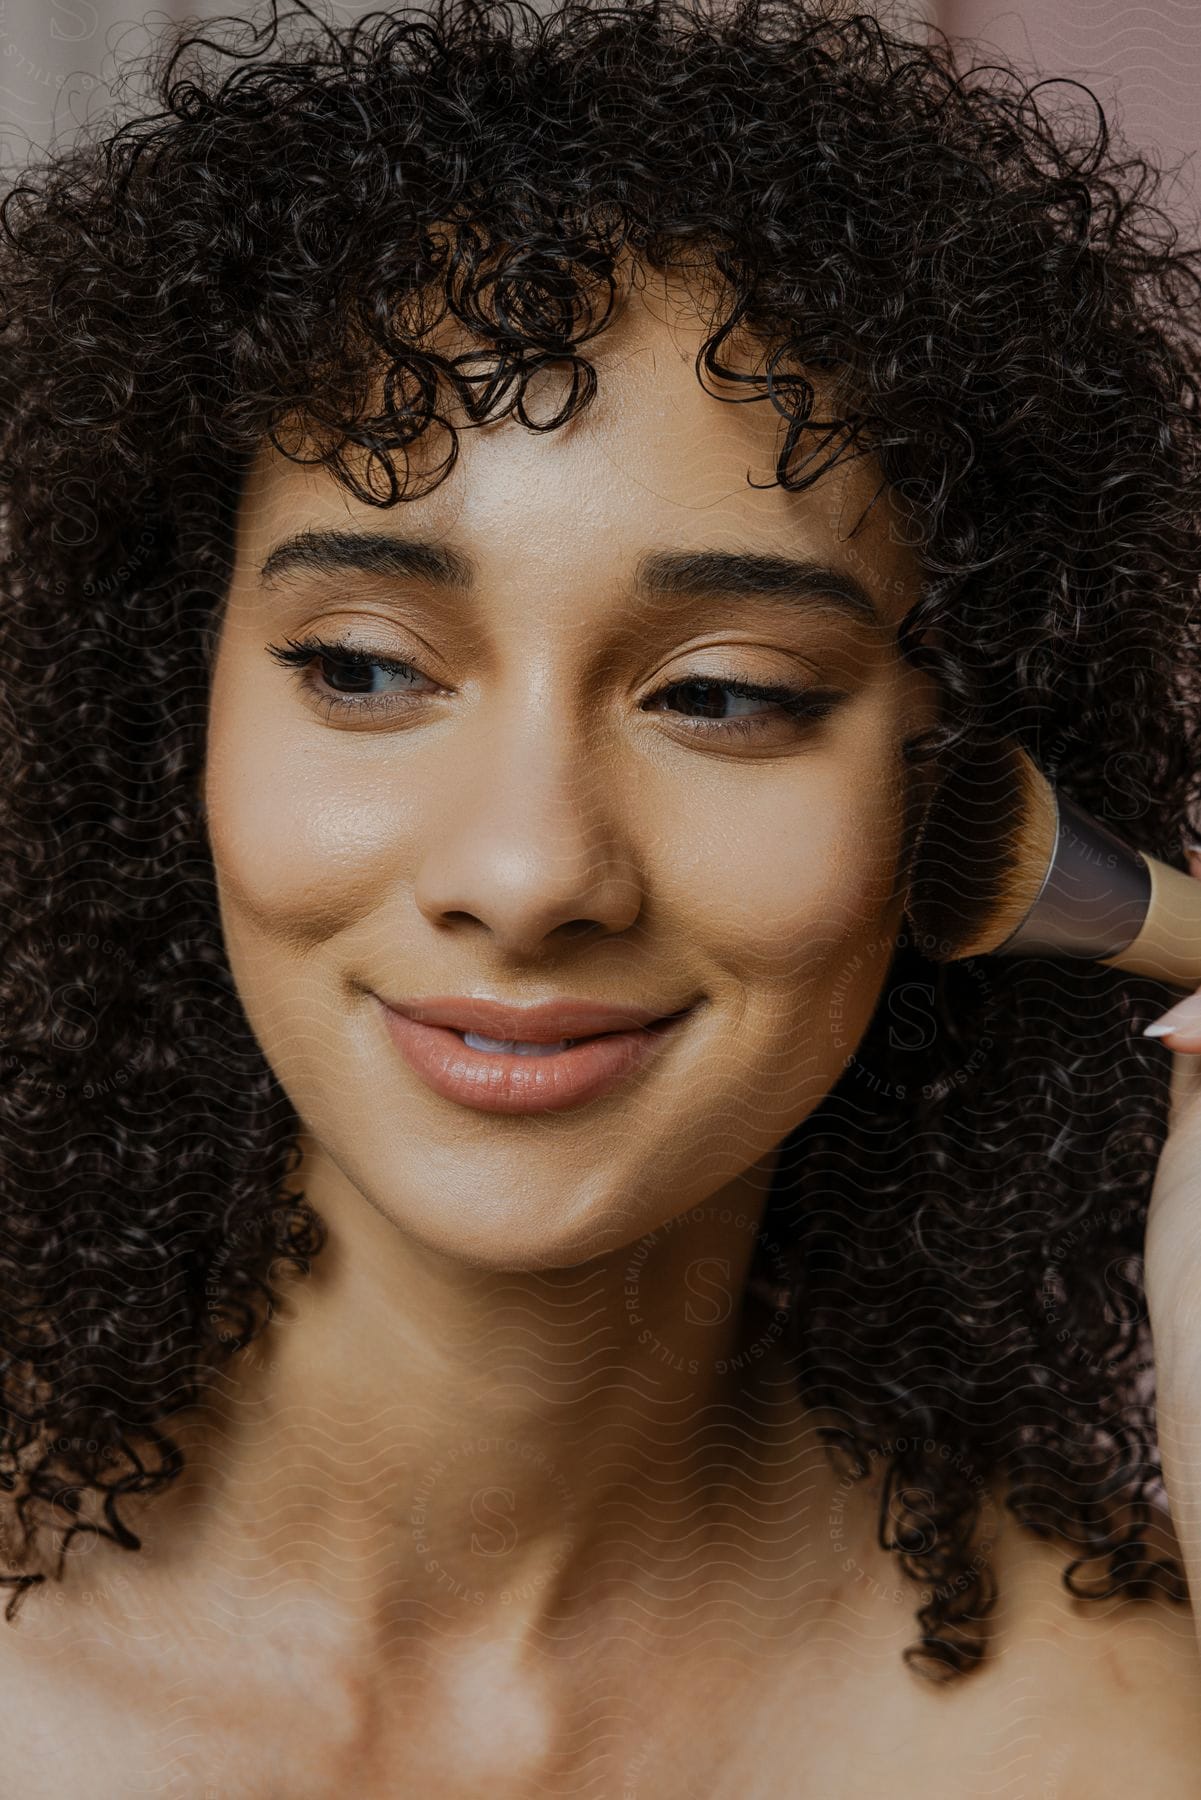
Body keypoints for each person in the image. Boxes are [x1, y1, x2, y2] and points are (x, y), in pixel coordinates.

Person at [1, 0, 1201, 1790]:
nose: (528, 871)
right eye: (361, 668)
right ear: (163, 713)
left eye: (719, 694)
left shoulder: (1104, 1735)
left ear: (953, 787)